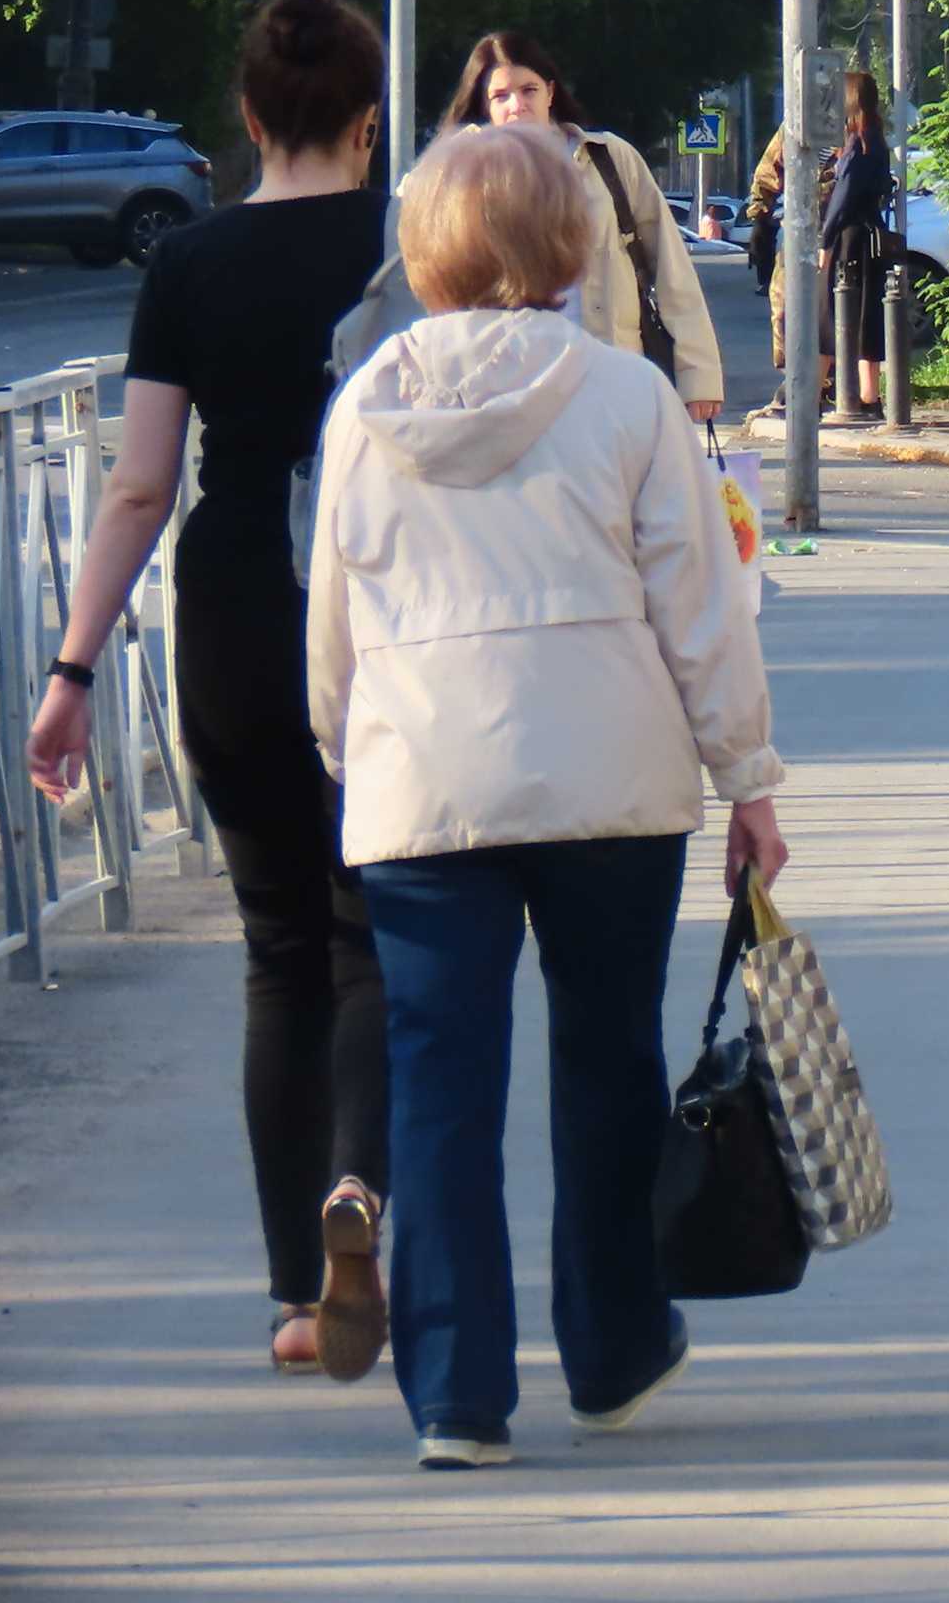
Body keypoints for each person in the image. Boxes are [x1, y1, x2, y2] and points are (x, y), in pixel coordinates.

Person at [305, 124, 786, 1472]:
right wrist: (747, 778)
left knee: (438, 1087)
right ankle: (615, 1353)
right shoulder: (626, 397)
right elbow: (700, 608)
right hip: (609, 782)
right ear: (568, 245)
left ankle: (457, 1398)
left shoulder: (365, 408)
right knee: (608, 1062)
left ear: (426, 252)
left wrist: (348, 755)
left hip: (423, 785)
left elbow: (332, 619)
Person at [25, 0, 393, 1381]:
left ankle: (298, 1295)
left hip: (236, 615)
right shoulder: (408, 247)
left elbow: (138, 485)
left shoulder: (188, 261)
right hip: (386, 625)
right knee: (373, 942)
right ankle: (361, 1188)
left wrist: (72, 668)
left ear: (247, 118)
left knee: (279, 951)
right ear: (369, 121)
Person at [442, 33, 724, 422]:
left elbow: (672, 270)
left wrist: (698, 375)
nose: (517, 106)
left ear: (550, 92)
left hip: (609, 377)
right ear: (483, 106)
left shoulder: (608, 158)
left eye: (528, 90)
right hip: (509, 388)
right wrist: (460, 153)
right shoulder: (464, 174)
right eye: (500, 96)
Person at [820, 70, 893, 418]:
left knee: (829, 312)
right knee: (868, 314)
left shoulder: (856, 144)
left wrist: (825, 241)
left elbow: (842, 196)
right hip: (870, 235)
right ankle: (869, 396)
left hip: (849, 238)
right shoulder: (876, 139)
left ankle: (812, 392)